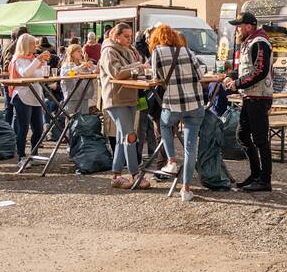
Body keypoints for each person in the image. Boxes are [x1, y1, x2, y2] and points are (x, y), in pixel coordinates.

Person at [149, 24, 208, 202]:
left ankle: (172, 161)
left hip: (173, 104)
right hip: (195, 104)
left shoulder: (157, 52)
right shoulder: (188, 52)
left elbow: (155, 77)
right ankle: (186, 189)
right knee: (191, 148)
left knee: (164, 125)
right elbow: (200, 74)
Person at [223, 11, 274, 193]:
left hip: (259, 97)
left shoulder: (259, 42)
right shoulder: (248, 42)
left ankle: (264, 180)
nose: (237, 29)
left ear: (249, 26)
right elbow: (244, 69)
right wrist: (230, 77)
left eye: (239, 25)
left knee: (260, 140)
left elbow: (260, 70)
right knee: (242, 135)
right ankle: (256, 174)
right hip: (250, 96)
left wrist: (236, 83)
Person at [99, 22, 150, 190]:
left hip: (130, 96)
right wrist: (137, 66)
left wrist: (141, 68)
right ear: (116, 36)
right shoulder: (108, 51)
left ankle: (116, 175)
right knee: (130, 136)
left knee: (123, 136)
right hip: (115, 98)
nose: (129, 39)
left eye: (130, 36)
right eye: (126, 36)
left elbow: (134, 68)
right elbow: (116, 72)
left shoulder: (129, 50)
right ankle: (135, 174)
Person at [9, 33, 50, 161]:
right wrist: (38, 61)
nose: (35, 46)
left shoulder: (33, 58)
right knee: (23, 128)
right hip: (22, 95)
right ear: (26, 45)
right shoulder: (18, 59)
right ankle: (21, 156)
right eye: (33, 44)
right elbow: (25, 73)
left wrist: (42, 62)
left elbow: (41, 74)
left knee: (38, 128)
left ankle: (34, 153)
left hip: (35, 95)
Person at [60, 43, 97, 116]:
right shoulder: (67, 65)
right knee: (71, 119)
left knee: (83, 120)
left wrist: (91, 66)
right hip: (72, 96)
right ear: (72, 53)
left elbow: (94, 72)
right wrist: (80, 67)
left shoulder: (83, 64)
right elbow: (66, 74)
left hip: (84, 95)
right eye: (78, 51)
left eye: (81, 51)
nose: (81, 53)